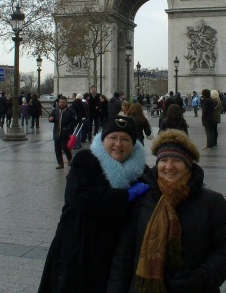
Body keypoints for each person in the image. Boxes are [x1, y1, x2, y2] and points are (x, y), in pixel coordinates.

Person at [108, 129, 226, 293]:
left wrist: (202, 278)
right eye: (163, 160)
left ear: (188, 166)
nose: (169, 167)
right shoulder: (144, 199)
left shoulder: (210, 202)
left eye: (176, 161)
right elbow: (124, 253)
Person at [38, 116, 150, 293]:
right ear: (103, 139)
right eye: (113, 138)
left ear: (134, 144)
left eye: (125, 139)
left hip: (114, 254)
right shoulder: (85, 160)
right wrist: (124, 196)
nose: (118, 144)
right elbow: (80, 198)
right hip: (78, 248)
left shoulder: (141, 171)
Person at [48, 96, 76, 169]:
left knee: (64, 146)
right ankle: (60, 163)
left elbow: (73, 121)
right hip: (56, 131)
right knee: (57, 148)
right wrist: (50, 119)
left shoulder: (70, 111)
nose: (62, 104)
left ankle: (69, 158)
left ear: (66, 102)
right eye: (60, 102)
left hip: (65, 132)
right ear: (58, 102)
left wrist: (67, 128)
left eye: (63, 102)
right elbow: (51, 117)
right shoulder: (55, 110)